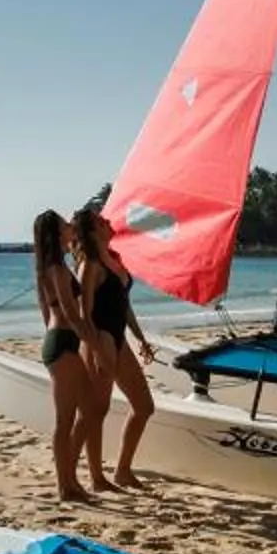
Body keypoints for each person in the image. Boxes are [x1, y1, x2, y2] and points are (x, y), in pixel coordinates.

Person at [70, 207, 156, 489]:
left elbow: (124, 306)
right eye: (101, 221)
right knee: (95, 411)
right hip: (99, 340)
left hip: (119, 339)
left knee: (144, 406)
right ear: (93, 231)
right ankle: (89, 477)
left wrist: (140, 338)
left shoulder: (115, 259)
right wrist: (96, 349)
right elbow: (83, 315)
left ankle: (122, 471)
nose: (108, 221)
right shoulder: (90, 266)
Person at [29, 210, 101, 501]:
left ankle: (70, 481)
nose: (71, 227)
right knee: (66, 419)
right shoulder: (56, 270)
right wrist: (94, 343)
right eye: (65, 225)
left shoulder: (47, 269)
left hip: (60, 342)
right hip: (62, 344)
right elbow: (71, 313)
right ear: (56, 233)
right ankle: (65, 486)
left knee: (89, 410)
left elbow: (45, 312)